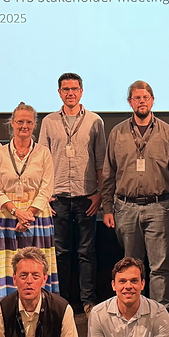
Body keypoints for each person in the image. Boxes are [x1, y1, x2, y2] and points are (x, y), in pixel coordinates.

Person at [101, 80, 169, 309]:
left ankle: (160, 314)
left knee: (160, 267)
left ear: (152, 100)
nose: (141, 102)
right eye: (137, 98)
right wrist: (107, 208)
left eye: (145, 97)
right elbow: (109, 173)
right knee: (130, 268)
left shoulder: (168, 133)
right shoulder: (117, 133)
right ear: (130, 102)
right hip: (126, 208)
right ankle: (133, 312)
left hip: (160, 207)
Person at [38, 73, 106, 317]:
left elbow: (101, 161)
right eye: (66, 89)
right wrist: (43, 196)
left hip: (86, 196)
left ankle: (88, 301)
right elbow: (41, 161)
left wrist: (100, 194)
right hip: (57, 198)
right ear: (59, 93)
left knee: (87, 252)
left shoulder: (95, 121)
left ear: (81, 91)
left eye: (74, 89)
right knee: (59, 253)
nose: (70, 93)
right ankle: (61, 302)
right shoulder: (48, 122)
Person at [0, 102, 57, 302]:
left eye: (28, 122)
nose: (24, 126)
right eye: (20, 122)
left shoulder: (43, 153)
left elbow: (46, 189)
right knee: (8, 268)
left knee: (38, 267)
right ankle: (7, 310)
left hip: (37, 217)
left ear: (34, 124)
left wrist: (28, 214)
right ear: (12, 123)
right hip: (7, 217)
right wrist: (16, 213)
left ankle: (42, 308)